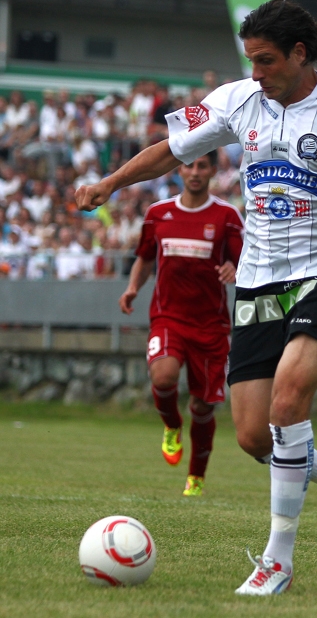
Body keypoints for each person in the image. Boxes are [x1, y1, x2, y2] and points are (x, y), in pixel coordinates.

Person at [75, 0, 317, 595]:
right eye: (250, 61)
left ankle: (276, 561)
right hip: (259, 277)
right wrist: (110, 182)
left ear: (299, 54)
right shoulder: (239, 99)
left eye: (265, 61)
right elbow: (172, 150)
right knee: (256, 436)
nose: (255, 72)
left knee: (289, 404)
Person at [118, 151, 244, 496]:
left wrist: (235, 268)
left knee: (203, 406)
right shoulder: (158, 214)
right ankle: (171, 425)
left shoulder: (227, 216)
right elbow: (144, 257)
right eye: (189, 165)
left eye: (203, 166)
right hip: (168, 318)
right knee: (163, 375)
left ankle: (196, 478)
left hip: (211, 326)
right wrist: (132, 288)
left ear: (213, 171)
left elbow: (246, 260)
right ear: (180, 169)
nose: (195, 172)